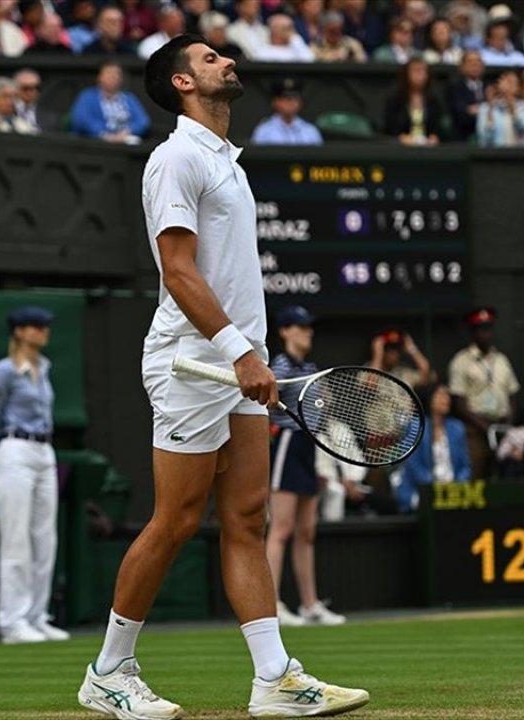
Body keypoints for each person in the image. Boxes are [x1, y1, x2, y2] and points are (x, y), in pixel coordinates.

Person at [77, 34, 369, 720]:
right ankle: (108, 671)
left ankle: (274, 677)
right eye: (209, 59)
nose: (226, 62)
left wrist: (247, 355)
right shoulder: (175, 158)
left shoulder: (226, 163)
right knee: (177, 519)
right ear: (181, 83)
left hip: (237, 363)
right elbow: (177, 271)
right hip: (194, 362)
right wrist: (240, 352)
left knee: (246, 516)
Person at [0, 306, 68, 646]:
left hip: (44, 451)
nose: (43, 331)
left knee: (45, 538)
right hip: (13, 449)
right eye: (35, 326)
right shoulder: (2, 371)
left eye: (45, 325)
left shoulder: (44, 368)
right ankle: (12, 621)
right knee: (15, 538)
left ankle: (36, 616)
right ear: (18, 331)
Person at [264, 306, 346, 628]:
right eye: (300, 327)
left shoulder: (310, 367)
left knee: (306, 532)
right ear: (285, 331)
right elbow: (266, 405)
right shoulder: (279, 366)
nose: (307, 332)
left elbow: (319, 413)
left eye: (308, 327)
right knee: (281, 529)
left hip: (310, 446)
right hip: (287, 442)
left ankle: (310, 605)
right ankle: (271, 606)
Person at [448, 307, 519, 480]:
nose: (486, 334)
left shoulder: (501, 360)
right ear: (473, 333)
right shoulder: (461, 361)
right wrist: (485, 427)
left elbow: (513, 394)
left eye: (488, 329)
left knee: (506, 474)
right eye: (481, 329)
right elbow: (458, 403)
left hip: (502, 426)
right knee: (475, 476)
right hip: (475, 429)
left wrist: (508, 424)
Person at [396, 384, 472, 512]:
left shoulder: (457, 428)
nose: (446, 399)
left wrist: (455, 486)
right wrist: (436, 487)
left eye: (447, 395)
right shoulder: (415, 427)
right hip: (422, 489)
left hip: (452, 490)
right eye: (441, 395)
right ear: (430, 399)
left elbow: (465, 467)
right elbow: (413, 466)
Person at [68, 61, 150, 143]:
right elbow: (80, 119)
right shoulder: (87, 96)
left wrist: (127, 131)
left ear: (121, 79)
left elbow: (143, 121)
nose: (113, 77)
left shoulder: (129, 98)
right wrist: (105, 134)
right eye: (109, 74)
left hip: (125, 141)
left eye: (116, 74)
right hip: (96, 144)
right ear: (99, 77)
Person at [383, 58, 445, 146]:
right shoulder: (395, 100)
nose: (420, 74)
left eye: (423, 71)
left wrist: (435, 137)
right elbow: (389, 128)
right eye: (416, 70)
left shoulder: (433, 101)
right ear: (406, 74)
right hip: (401, 148)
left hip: (428, 147)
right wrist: (401, 137)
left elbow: (439, 126)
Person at [250, 77, 323, 146]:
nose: (289, 103)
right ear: (275, 102)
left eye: (294, 98)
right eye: (284, 98)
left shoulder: (311, 131)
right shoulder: (264, 131)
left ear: (300, 102)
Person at [476, 70, 524, 148]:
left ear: (518, 88)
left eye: (511, 82)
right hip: (494, 154)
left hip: (520, 154)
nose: (507, 86)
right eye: (506, 81)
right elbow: (484, 138)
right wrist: (490, 109)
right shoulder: (485, 107)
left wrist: (510, 101)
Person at [368, 329, 433, 389]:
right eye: (389, 348)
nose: (394, 353)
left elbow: (426, 373)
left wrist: (412, 348)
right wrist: (378, 355)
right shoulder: (367, 370)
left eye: (397, 348)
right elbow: (370, 384)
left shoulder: (405, 371)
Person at [445, 50, 485, 141]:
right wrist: (485, 110)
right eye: (470, 62)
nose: (475, 65)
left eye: (478, 61)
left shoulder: (489, 87)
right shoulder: (454, 88)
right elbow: (460, 114)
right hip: (462, 137)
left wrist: (475, 110)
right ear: (462, 66)